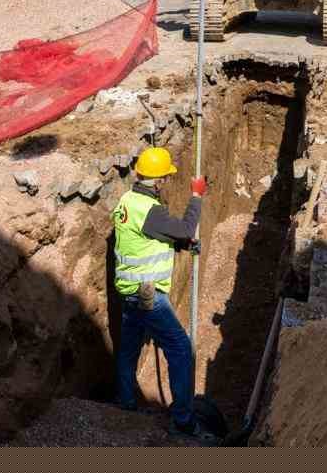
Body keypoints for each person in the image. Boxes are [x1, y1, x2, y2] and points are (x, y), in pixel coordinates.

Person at [112, 147, 211, 439]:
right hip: (148, 296)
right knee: (180, 349)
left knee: (128, 349)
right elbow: (185, 228)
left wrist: (180, 245)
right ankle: (184, 421)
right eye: (165, 177)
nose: (167, 181)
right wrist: (196, 196)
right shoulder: (150, 210)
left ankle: (125, 402)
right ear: (158, 180)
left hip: (128, 291)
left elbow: (146, 238)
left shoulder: (128, 201)